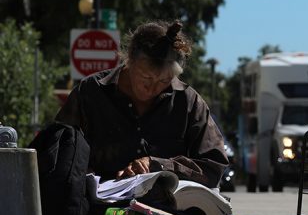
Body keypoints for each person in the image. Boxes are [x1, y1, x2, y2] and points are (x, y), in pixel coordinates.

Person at [56, 20, 228, 188]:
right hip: (95, 210)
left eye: (164, 81)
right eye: (146, 78)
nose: (153, 88)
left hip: (167, 211)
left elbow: (214, 166)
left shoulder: (189, 102)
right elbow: (59, 152)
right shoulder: (91, 93)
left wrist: (159, 165)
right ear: (129, 60)